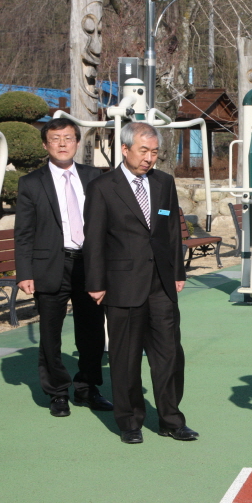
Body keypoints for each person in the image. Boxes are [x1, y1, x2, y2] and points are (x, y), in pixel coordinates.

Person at [84, 122, 197, 444]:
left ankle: (171, 420)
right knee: (125, 357)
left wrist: (177, 272)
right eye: (143, 151)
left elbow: (171, 230)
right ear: (125, 150)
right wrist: (96, 282)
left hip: (161, 282)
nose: (149, 158)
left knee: (170, 354)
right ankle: (130, 422)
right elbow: (93, 238)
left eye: (154, 152)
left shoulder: (163, 183)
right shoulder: (103, 186)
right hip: (121, 285)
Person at [14, 118, 112, 417]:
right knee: (50, 334)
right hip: (50, 266)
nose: (62, 144)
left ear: (77, 142)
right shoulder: (31, 183)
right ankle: (57, 393)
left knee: (92, 332)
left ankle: (87, 388)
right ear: (45, 144)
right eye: (55, 139)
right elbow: (24, 232)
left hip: (90, 265)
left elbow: (108, 224)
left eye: (68, 138)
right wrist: (25, 272)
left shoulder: (95, 177)